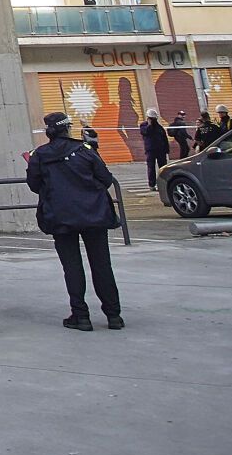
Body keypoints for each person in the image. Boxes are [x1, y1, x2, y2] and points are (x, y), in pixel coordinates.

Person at [27, 110, 124, 332]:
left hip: (60, 216)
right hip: (94, 214)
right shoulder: (85, 150)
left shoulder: (40, 155)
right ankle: (113, 315)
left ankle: (80, 315)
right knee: (102, 265)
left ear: (48, 131)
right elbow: (106, 179)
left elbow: (33, 184)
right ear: (67, 128)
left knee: (72, 267)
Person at [138, 109, 169, 191]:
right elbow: (146, 132)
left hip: (161, 150)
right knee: (151, 167)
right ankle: (152, 184)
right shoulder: (144, 126)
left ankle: (164, 183)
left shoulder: (159, 127)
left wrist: (166, 149)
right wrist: (149, 124)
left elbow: (164, 139)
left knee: (163, 167)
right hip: (150, 150)